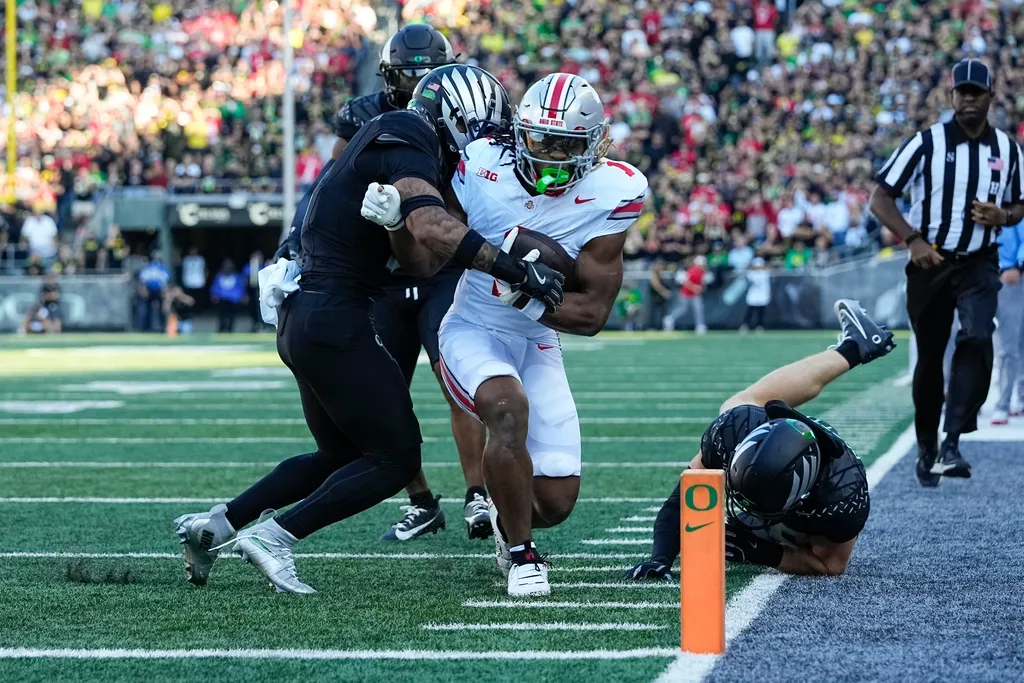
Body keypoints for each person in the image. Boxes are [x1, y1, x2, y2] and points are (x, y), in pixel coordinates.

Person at [173, 65, 562, 594]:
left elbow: (422, 261)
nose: (482, 148)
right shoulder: (406, 134)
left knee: (338, 455)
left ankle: (215, 524)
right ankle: (276, 536)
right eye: (482, 132)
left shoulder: (403, 141)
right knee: (395, 458)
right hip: (335, 313)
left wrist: (399, 227)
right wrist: (517, 269)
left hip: (311, 314)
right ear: (457, 118)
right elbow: (433, 228)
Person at [365, 72, 648, 597]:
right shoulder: (480, 164)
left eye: (563, 144)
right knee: (506, 407)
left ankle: (507, 518)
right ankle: (521, 555)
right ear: (518, 130)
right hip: (472, 327)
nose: (547, 153)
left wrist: (525, 293)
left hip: (537, 338)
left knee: (556, 503)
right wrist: (395, 228)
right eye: (538, 138)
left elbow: (591, 315)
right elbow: (424, 264)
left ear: (593, 146)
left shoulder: (616, 190)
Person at [276, 25, 490, 542]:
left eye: (426, 72)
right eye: (406, 74)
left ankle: (478, 493)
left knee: (456, 378)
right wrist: (292, 238)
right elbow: (327, 183)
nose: (416, 81)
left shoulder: (460, 109)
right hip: (383, 280)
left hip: (438, 267)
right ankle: (420, 500)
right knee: (387, 395)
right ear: (388, 76)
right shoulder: (363, 115)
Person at [626, 301, 895, 581]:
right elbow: (683, 497)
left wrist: (759, 551)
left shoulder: (841, 491)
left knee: (740, 403)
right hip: (777, 489)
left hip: (800, 524)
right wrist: (661, 558)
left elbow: (830, 564)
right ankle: (853, 347)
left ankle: (852, 348)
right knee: (736, 406)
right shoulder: (735, 430)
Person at [869, 59, 1024, 487]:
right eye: (963, 92)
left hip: (979, 261)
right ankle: (926, 446)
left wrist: (1003, 215)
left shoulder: (1008, 150)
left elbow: (1020, 204)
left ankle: (952, 440)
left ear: (992, 96)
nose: (969, 98)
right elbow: (879, 198)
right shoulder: (926, 143)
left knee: (976, 335)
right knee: (931, 355)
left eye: (978, 92)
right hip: (930, 261)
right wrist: (912, 240)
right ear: (951, 96)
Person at [991, 220, 1024, 425]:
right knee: (1007, 342)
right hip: (992, 272)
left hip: (1011, 273)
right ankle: (1003, 402)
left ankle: (1013, 399)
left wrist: (1017, 265)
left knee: (1014, 341)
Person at [663, 255, 709, 334]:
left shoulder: (702, 272)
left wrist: (701, 287)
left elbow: (702, 284)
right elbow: (685, 282)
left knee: (698, 309)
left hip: (694, 294)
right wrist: (694, 288)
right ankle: (669, 319)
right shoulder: (694, 271)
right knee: (683, 309)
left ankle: (700, 325)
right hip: (686, 293)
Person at [210, 259, 246, 333]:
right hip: (222, 299)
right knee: (221, 316)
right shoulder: (219, 276)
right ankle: (221, 328)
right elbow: (215, 287)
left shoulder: (236, 277)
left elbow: (240, 287)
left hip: (233, 300)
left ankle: (230, 329)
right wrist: (214, 295)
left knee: (232, 316)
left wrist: (242, 296)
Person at [740, 256, 771, 332]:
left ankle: (760, 326)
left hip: (762, 294)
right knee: (750, 311)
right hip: (753, 295)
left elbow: (769, 270)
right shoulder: (751, 274)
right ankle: (745, 325)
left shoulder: (765, 273)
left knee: (761, 312)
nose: (758, 267)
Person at [240, 251, 265, 333]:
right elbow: (243, 279)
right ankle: (255, 324)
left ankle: (261, 324)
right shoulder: (247, 267)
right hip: (250, 289)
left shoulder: (264, 266)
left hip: (261, 289)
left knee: (260, 308)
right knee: (252, 307)